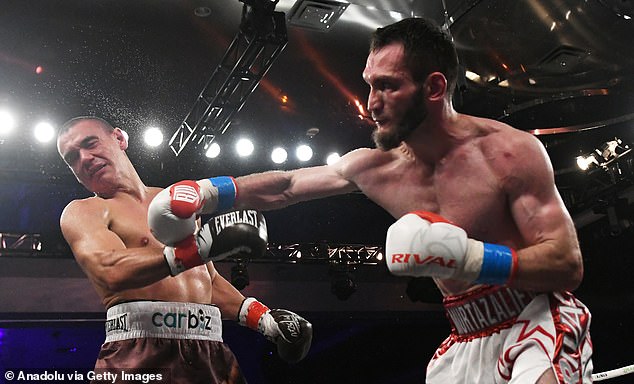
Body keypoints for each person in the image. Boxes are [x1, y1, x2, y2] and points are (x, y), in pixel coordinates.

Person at [149, 17, 594, 383]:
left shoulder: (509, 153)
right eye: (369, 85)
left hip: (537, 317)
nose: (371, 103)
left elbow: (567, 264)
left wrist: (474, 259)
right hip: (465, 335)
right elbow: (286, 185)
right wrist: (208, 191)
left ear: (434, 88)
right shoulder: (376, 167)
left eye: (388, 87)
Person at [57, 116, 312, 384]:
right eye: (72, 157)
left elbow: (206, 279)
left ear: (119, 139)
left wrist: (264, 319)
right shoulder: (83, 211)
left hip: (210, 350)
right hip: (139, 353)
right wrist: (196, 250)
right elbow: (110, 269)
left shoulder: (175, 200)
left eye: (90, 143)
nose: (84, 158)